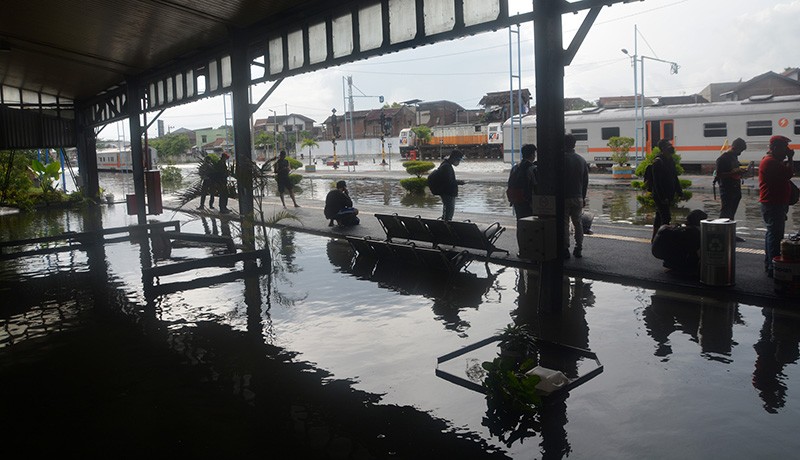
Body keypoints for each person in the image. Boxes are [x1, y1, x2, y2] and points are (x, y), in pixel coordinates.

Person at [759, 135, 795, 277]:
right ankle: (773, 267)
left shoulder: (772, 161)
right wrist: (791, 158)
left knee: (772, 234)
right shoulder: (770, 162)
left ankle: (770, 264)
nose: (787, 150)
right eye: (784, 147)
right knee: (775, 236)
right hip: (773, 204)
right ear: (774, 148)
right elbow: (789, 174)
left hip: (774, 203)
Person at [716, 138, 747, 241]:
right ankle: (721, 235)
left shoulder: (733, 157)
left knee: (731, 213)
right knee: (725, 213)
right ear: (734, 147)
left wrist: (740, 171)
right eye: (740, 150)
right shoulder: (723, 158)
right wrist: (734, 173)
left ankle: (730, 234)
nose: (740, 153)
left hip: (735, 188)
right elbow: (719, 175)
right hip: (727, 189)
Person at [651, 139, 682, 241]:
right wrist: (662, 197)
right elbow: (657, 183)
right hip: (660, 195)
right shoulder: (658, 162)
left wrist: (679, 191)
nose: (671, 146)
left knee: (659, 216)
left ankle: (655, 238)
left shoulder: (670, 160)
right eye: (669, 145)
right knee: (666, 217)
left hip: (669, 193)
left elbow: (674, 177)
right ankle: (663, 240)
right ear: (663, 148)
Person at [563, 134, 589, 258]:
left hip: (564, 197)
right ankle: (578, 248)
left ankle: (565, 249)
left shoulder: (560, 160)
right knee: (577, 223)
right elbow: (585, 182)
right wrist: (583, 197)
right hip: (578, 196)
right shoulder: (581, 160)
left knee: (564, 223)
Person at [507, 144, 538, 219]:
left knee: (520, 220)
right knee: (530, 222)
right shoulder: (532, 168)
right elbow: (536, 184)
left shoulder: (515, 167)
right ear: (532, 155)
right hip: (528, 201)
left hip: (516, 199)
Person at [438, 149, 465, 221]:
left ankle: (444, 226)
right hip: (448, 193)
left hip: (446, 192)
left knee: (446, 211)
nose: (458, 163)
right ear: (454, 158)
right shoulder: (446, 167)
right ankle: (446, 228)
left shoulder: (445, 164)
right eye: (458, 160)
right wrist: (459, 182)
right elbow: (449, 182)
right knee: (449, 213)